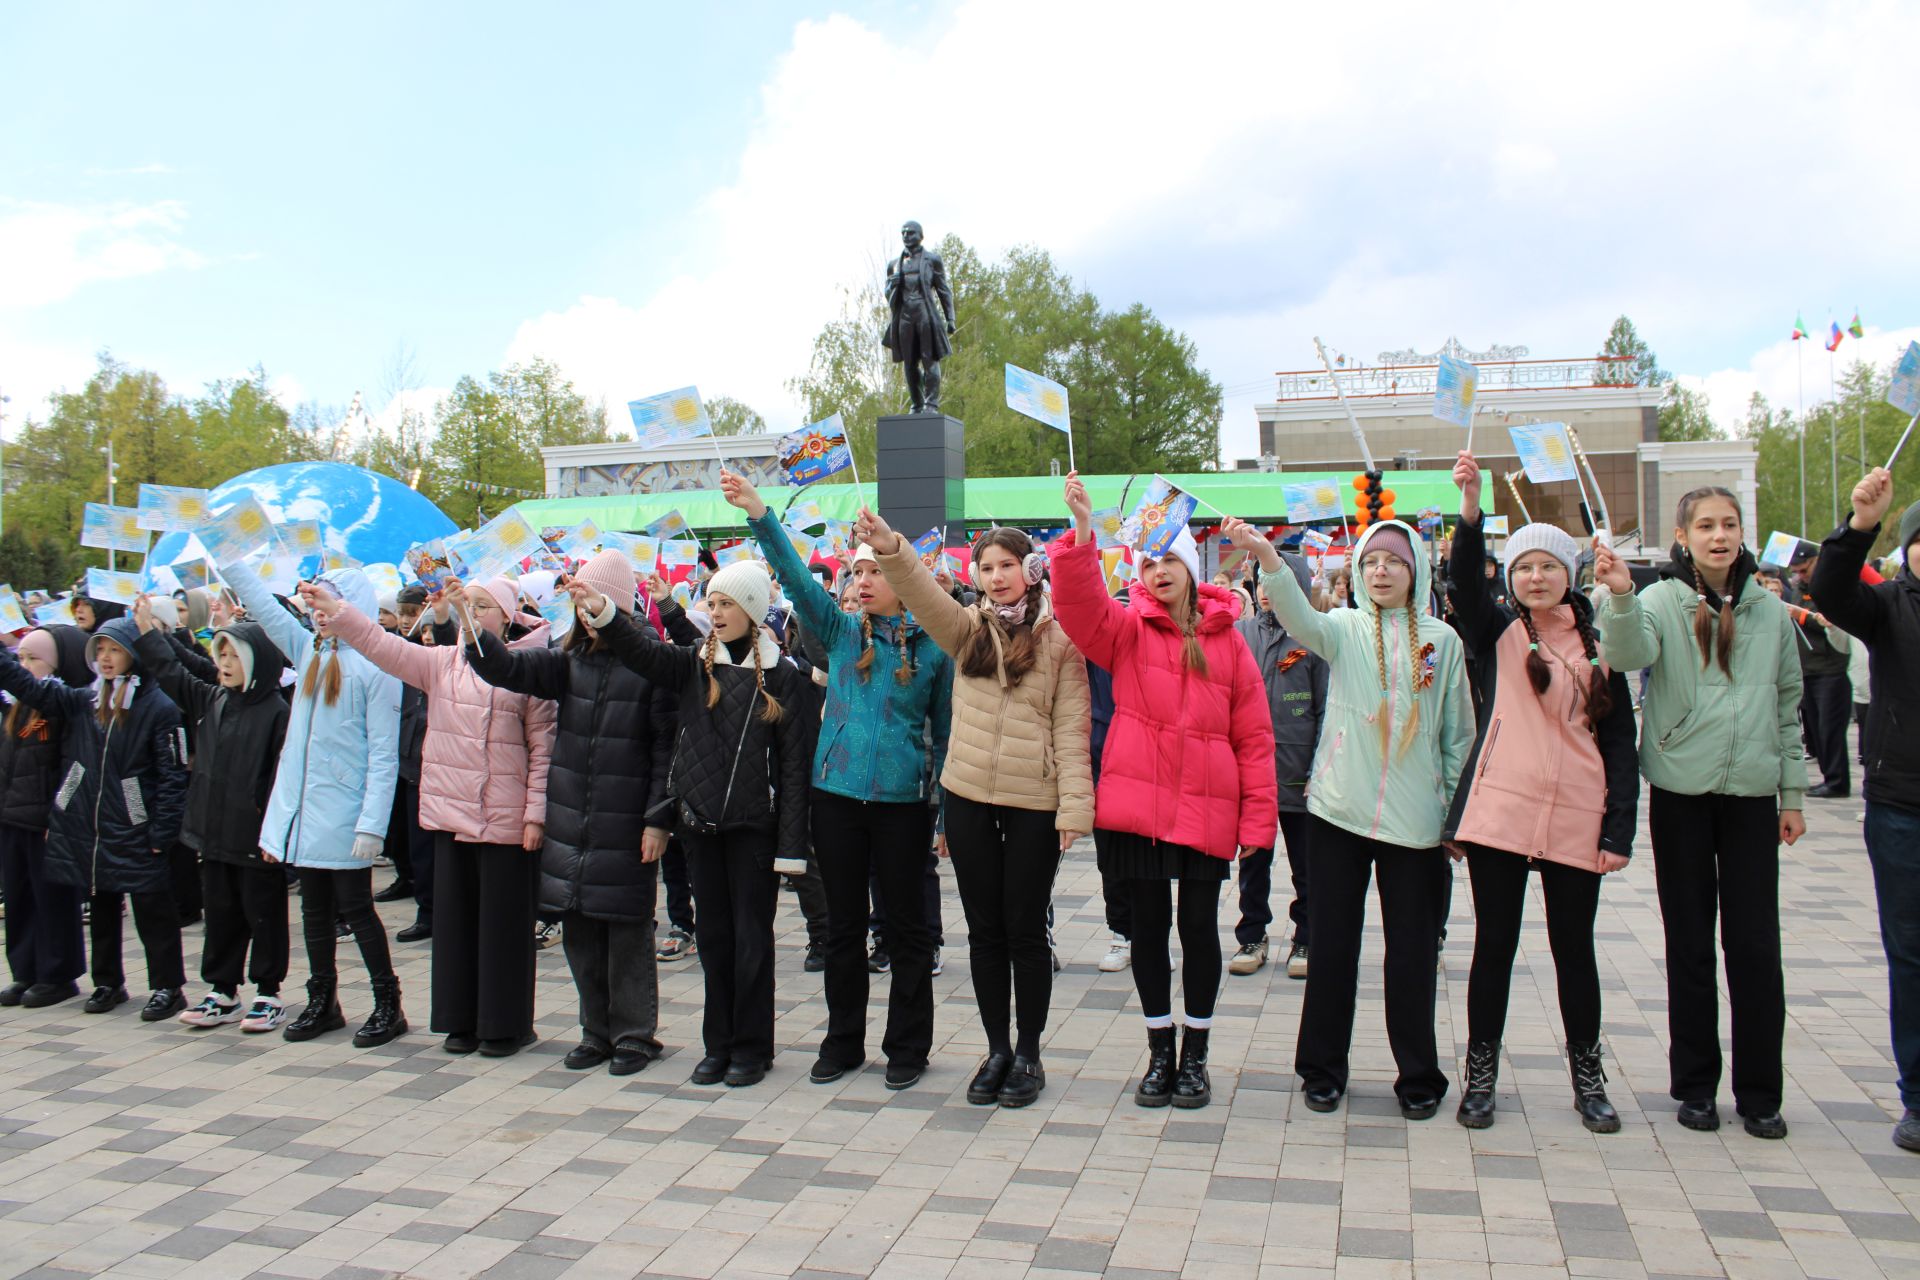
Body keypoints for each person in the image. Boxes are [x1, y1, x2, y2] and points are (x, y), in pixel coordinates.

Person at [1228, 511, 1473, 1121]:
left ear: (1415, 570)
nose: (1382, 570)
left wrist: (1452, 817)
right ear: (1357, 573)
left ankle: (1418, 1075)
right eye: (1370, 562)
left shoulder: (1441, 643)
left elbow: (1457, 737)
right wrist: (1267, 556)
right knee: (1332, 949)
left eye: (1394, 560)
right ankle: (1321, 1070)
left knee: (1412, 954)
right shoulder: (1341, 628)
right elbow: (1296, 615)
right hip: (1337, 814)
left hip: (1415, 826)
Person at [726, 469, 953, 1091]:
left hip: (903, 804)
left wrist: (942, 816)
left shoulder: (935, 650)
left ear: (905, 579)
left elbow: (947, 734)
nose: (864, 581)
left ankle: (907, 1046)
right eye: (858, 572)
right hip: (837, 800)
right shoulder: (840, 630)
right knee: (844, 926)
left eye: (876, 570)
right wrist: (758, 514)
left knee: (906, 930)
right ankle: (842, 1042)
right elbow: (798, 581)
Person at [859, 510, 1093, 1108]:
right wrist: (891, 546)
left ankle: (1031, 1053)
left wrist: (1073, 810)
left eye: (1006, 566)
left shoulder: (1061, 643)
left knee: (1025, 931)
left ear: (1029, 571)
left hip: (1034, 806)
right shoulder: (966, 632)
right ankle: (996, 1050)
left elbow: (1071, 729)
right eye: (985, 568)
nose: (995, 577)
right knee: (985, 933)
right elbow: (918, 589)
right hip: (966, 800)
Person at [1057, 474, 1276, 1110]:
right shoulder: (1124, 631)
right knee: (1149, 932)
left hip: (1207, 809)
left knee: (1199, 931)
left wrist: (1258, 828)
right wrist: (1080, 532)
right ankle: (1159, 1052)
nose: (1158, 571)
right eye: (1148, 562)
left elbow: (1254, 739)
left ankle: (1197, 1057)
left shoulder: (1230, 642)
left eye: (1169, 560)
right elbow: (1078, 610)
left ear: (1190, 567)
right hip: (1138, 809)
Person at [1595, 487, 1805, 1139]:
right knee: (1689, 944)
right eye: (1706, 525)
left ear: (1743, 532)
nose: (1720, 535)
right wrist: (1623, 597)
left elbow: (1788, 703)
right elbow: (1626, 657)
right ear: (1682, 536)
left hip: (1751, 798)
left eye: (1730, 524)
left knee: (1753, 947)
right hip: (1681, 795)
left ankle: (1761, 1093)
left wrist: (1791, 794)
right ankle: (1694, 1088)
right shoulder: (1658, 601)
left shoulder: (1770, 612)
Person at [1441, 453, 1639, 1132]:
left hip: (1577, 820)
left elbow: (1619, 745)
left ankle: (1588, 1075)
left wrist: (1618, 832)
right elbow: (1464, 581)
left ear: (1569, 575)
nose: (1536, 576)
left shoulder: (1600, 643)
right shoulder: (1497, 633)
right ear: (1513, 576)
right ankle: (1482, 1075)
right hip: (1501, 813)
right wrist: (1471, 510)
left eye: (1548, 566)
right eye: (1524, 566)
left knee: (1573, 950)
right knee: (1493, 947)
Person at [574, 559, 810, 1088]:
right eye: (713, 602)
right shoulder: (692, 663)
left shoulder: (782, 675)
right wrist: (606, 611)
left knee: (752, 941)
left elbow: (794, 769)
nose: (717, 612)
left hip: (753, 829)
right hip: (700, 825)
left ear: (751, 610)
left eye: (727, 603)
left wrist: (792, 846)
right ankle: (718, 1044)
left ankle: (752, 1048)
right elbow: (642, 651)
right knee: (714, 940)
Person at [308, 575, 555, 1058]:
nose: (476, 612)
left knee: (502, 930)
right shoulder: (442, 663)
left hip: (505, 819)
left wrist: (535, 816)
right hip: (451, 814)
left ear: (507, 617)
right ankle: (459, 1021)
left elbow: (542, 749)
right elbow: (379, 645)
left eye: (485, 606)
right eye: (472, 604)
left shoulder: (529, 670)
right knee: (456, 926)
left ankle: (505, 1025)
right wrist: (336, 609)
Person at [462, 548, 677, 1075]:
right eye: (577, 601)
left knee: (625, 928)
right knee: (579, 926)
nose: (583, 612)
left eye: (593, 600)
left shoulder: (650, 662)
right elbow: (506, 668)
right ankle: (594, 1032)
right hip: (572, 814)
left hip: (626, 819)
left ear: (617, 605)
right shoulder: (569, 659)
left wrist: (658, 818)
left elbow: (664, 748)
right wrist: (468, 625)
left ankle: (634, 1035)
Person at [228, 565, 406, 1048]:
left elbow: (384, 754)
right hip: (305, 812)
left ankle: (387, 1003)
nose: (318, 614)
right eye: (314, 606)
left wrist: (373, 822)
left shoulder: (376, 666)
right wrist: (230, 556)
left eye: (328, 604)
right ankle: (322, 1000)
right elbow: (264, 609)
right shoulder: (309, 650)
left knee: (357, 908)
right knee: (313, 909)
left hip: (347, 814)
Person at [0, 615, 189, 1021]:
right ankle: (108, 982)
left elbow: (173, 775)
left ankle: (167, 987)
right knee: (102, 904)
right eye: (99, 650)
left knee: (152, 909)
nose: (105, 658)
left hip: (135, 825)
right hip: (91, 824)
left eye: (114, 649)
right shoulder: (85, 700)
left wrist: (161, 829)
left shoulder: (159, 707)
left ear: (133, 655)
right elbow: (32, 689)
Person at [1810, 468, 1920, 1152]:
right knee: (1910, 954)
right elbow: (1829, 592)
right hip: (1902, 805)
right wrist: (1857, 527)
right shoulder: (1891, 607)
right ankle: (1917, 1096)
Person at [132, 597, 294, 1033]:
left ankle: (268, 992)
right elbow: (171, 673)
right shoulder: (214, 699)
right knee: (220, 913)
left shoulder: (278, 712)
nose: (224, 662)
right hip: (213, 833)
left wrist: (275, 835)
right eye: (220, 653)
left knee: (262, 914)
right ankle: (222, 990)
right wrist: (148, 632)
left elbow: (282, 779)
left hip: (256, 838)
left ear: (256, 660)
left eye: (233, 655)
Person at [1230, 555, 1327, 981]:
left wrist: (1320, 768)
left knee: (1308, 865)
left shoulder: (1315, 636)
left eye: (1276, 580)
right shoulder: (1240, 633)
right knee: (1252, 863)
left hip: (1300, 773)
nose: (1265, 590)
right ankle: (1252, 935)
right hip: (1252, 776)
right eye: (1259, 581)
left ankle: (1306, 936)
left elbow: (1327, 709)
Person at [0, 626, 92, 1009]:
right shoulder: (16, 708)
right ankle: (26, 970)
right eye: (19, 657)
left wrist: (59, 816)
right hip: (14, 818)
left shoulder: (64, 706)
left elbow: (75, 768)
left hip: (46, 822)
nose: (25, 665)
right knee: (20, 899)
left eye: (33, 658)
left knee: (52, 900)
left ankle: (57, 974)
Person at [1789, 553, 1853, 797]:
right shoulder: (1800, 589)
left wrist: (1801, 615)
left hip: (1830, 667)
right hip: (1808, 667)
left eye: (1805, 570)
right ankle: (1828, 777)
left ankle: (1837, 780)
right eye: (1797, 571)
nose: (1801, 575)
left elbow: (1830, 621)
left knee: (1830, 728)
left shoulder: (1829, 588)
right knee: (1815, 727)